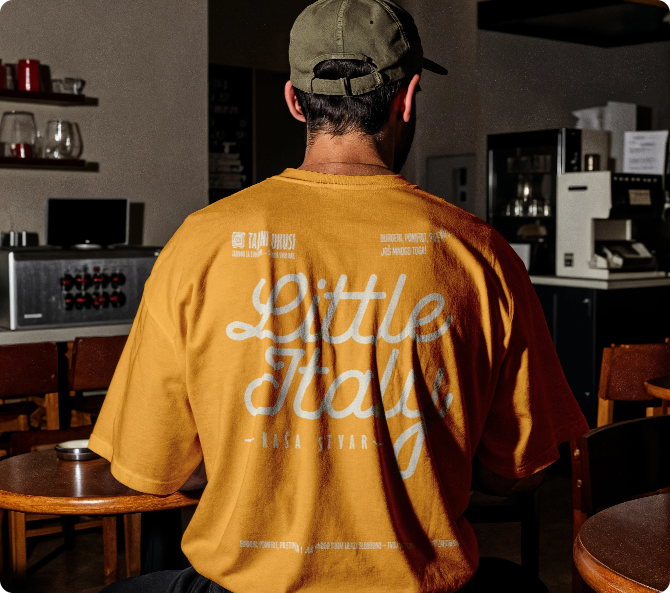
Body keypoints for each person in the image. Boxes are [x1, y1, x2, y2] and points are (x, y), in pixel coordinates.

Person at [91, 1, 589, 591]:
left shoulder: (198, 244)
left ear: (294, 101)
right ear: (408, 98)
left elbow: (154, 469)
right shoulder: (480, 252)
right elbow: (516, 473)